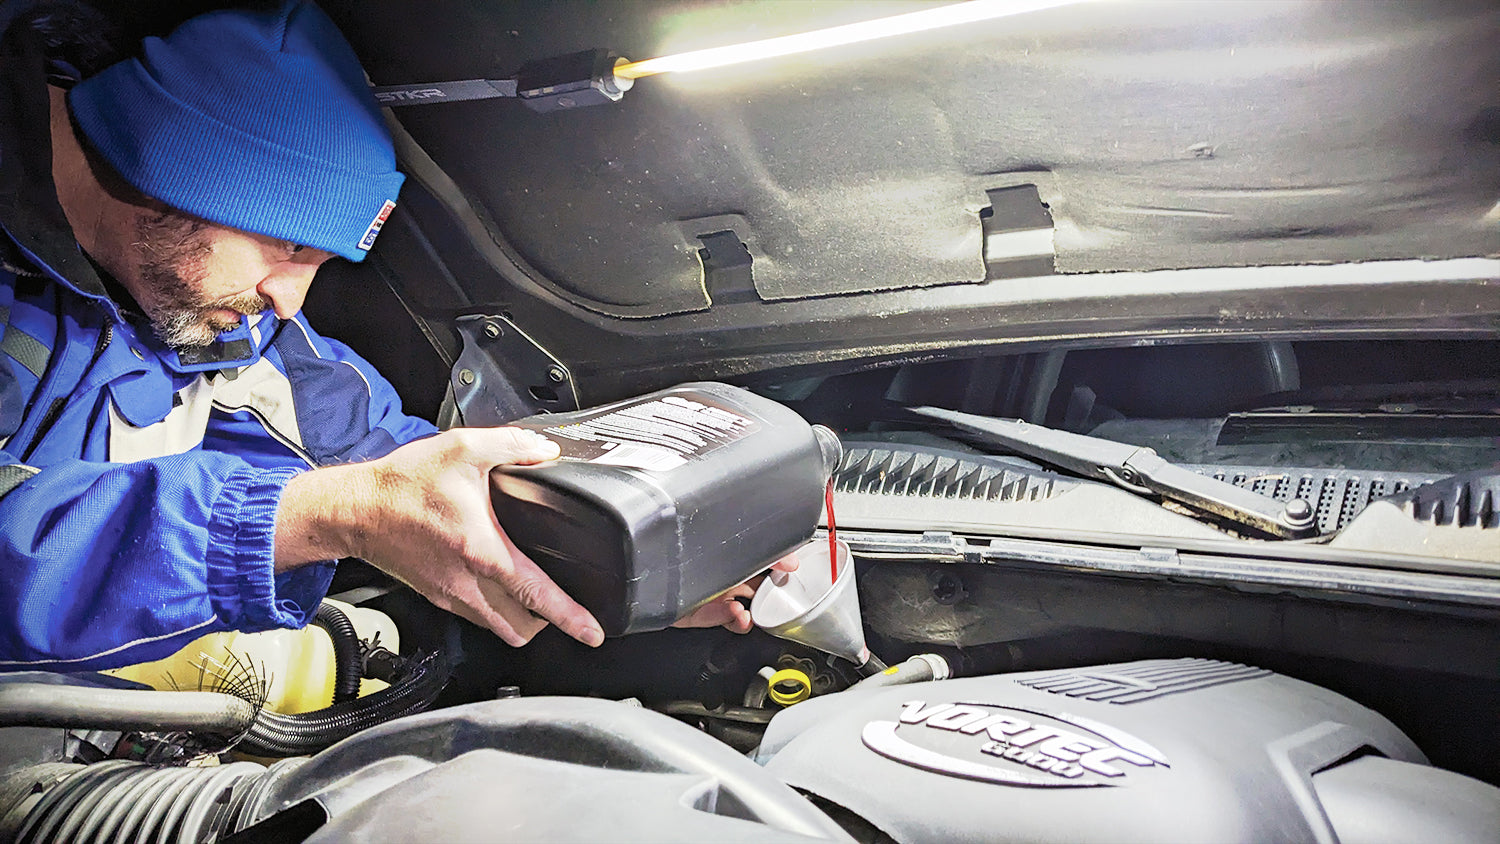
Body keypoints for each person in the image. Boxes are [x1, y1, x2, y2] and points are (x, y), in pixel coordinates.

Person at [0, 0, 783, 671]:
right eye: (287, 248)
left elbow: (380, 454)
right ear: (169, 173)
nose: (288, 301)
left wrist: (615, 552)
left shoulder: (222, 311)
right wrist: (319, 516)